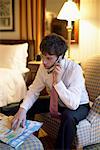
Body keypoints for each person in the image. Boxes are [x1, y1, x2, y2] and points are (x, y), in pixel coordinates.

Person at [11, 33, 90, 149]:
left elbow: (73, 104)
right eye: (43, 56)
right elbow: (34, 90)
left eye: (49, 58)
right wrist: (22, 109)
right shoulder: (43, 68)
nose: (44, 62)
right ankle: (26, 140)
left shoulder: (74, 69)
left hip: (79, 104)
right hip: (57, 101)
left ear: (60, 56)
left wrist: (58, 82)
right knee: (25, 104)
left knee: (68, 116)